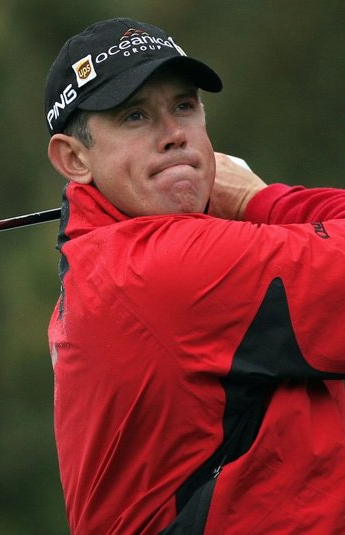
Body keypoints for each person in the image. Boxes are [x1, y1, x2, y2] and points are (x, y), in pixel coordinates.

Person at [44, 17, 345, 534]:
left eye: (184, 106)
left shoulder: (104, 263)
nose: (174, 136)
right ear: (74, 159)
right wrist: (261, 200)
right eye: (135, 116)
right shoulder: (152, 268)